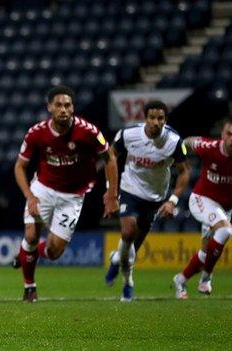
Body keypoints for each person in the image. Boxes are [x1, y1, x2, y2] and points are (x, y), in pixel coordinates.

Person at [12, 85, 119, 302]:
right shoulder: (37, 133)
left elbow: (110, 158)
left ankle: (26, 255)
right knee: (31, 235)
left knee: (54, 252)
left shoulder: (88, 131)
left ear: (73, 107)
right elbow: (19, 167)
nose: (63, 109)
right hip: (43, 189)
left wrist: (111, 194)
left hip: (73, 197)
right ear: (49, 107)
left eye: (68, 105)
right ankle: (29, 287)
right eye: (59, 105)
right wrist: (30, 196)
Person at [103, 100, 190, 301]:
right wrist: (111, 192)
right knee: (127, 232)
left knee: (131, 248)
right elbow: (110, 157)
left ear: (165, 120)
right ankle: (128, 285)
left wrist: (173, 200)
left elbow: (184, 172)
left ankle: (120, 265)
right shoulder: (128, 134)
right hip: (130, 190)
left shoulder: (174, 141)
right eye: (152, 117)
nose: (156, 122)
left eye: (160, 118)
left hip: (155, 198)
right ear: (145, 118)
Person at [172, 118, 232, 299]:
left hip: (222, 209)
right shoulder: (209, 147)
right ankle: (206, 278)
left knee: (206, 254)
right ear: (222, 135)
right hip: (201, 200)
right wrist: (178, 155)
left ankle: (180, 280)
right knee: (226, 230)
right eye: (229, 134)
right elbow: (187, 141)